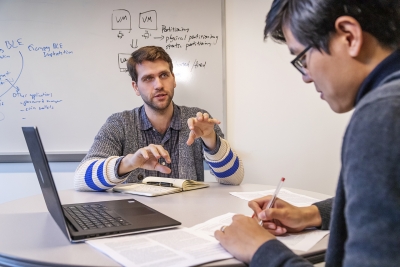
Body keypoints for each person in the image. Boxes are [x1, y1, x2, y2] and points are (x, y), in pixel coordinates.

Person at [214, 0, 400, 266]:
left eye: (303, 57)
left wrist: (261, 250)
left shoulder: (381, 115)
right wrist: (310, 214)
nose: (306, 77)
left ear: (349, 36)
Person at [74, 46, 244, 191]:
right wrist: (129, 162)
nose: (159, 85)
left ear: (174, 79)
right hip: (137, 219)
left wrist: (211, 140)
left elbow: (234, 179)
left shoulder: (198, 121)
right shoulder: (119, 123)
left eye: (164, 75)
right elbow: (80, 179)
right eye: (148, 78)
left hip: (190, 216)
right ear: (136, 87)